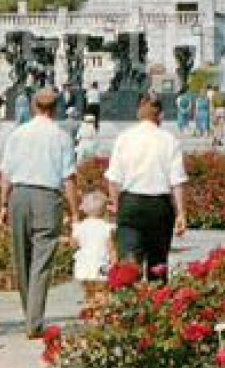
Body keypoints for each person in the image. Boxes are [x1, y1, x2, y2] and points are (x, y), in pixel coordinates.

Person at [0, 88, 79, 338]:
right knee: (42, 259)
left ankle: (29, 314)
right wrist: (74, 212)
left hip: (19, 195)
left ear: (33, 106)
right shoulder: (62, 136)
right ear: (55, 108)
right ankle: (34, 318)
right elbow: (69, 178)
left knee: (21, 257)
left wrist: (2, 205)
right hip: (47, 196)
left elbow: (5, 175)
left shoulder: (18, 134)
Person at [105, 92, 188, 279]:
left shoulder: (124, 138)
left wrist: (116, 205)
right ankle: (156, 302)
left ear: (138, 111)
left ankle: (128, 301)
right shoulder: (169, 140)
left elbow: (113, 179)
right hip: (159, 206)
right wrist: (181, 213)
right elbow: (177, 182)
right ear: (160, 114)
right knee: (158, 265)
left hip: (131, 203)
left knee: (129, 264)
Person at [71, 190, 118, 301]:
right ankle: (100, 311)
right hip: (101, 265)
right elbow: (111, 248)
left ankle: (89, 308)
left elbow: (73, 244)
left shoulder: (80, 227)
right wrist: (114, 263)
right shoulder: (107, 227)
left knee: (88, 292)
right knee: (102, 291)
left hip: (84, 265)